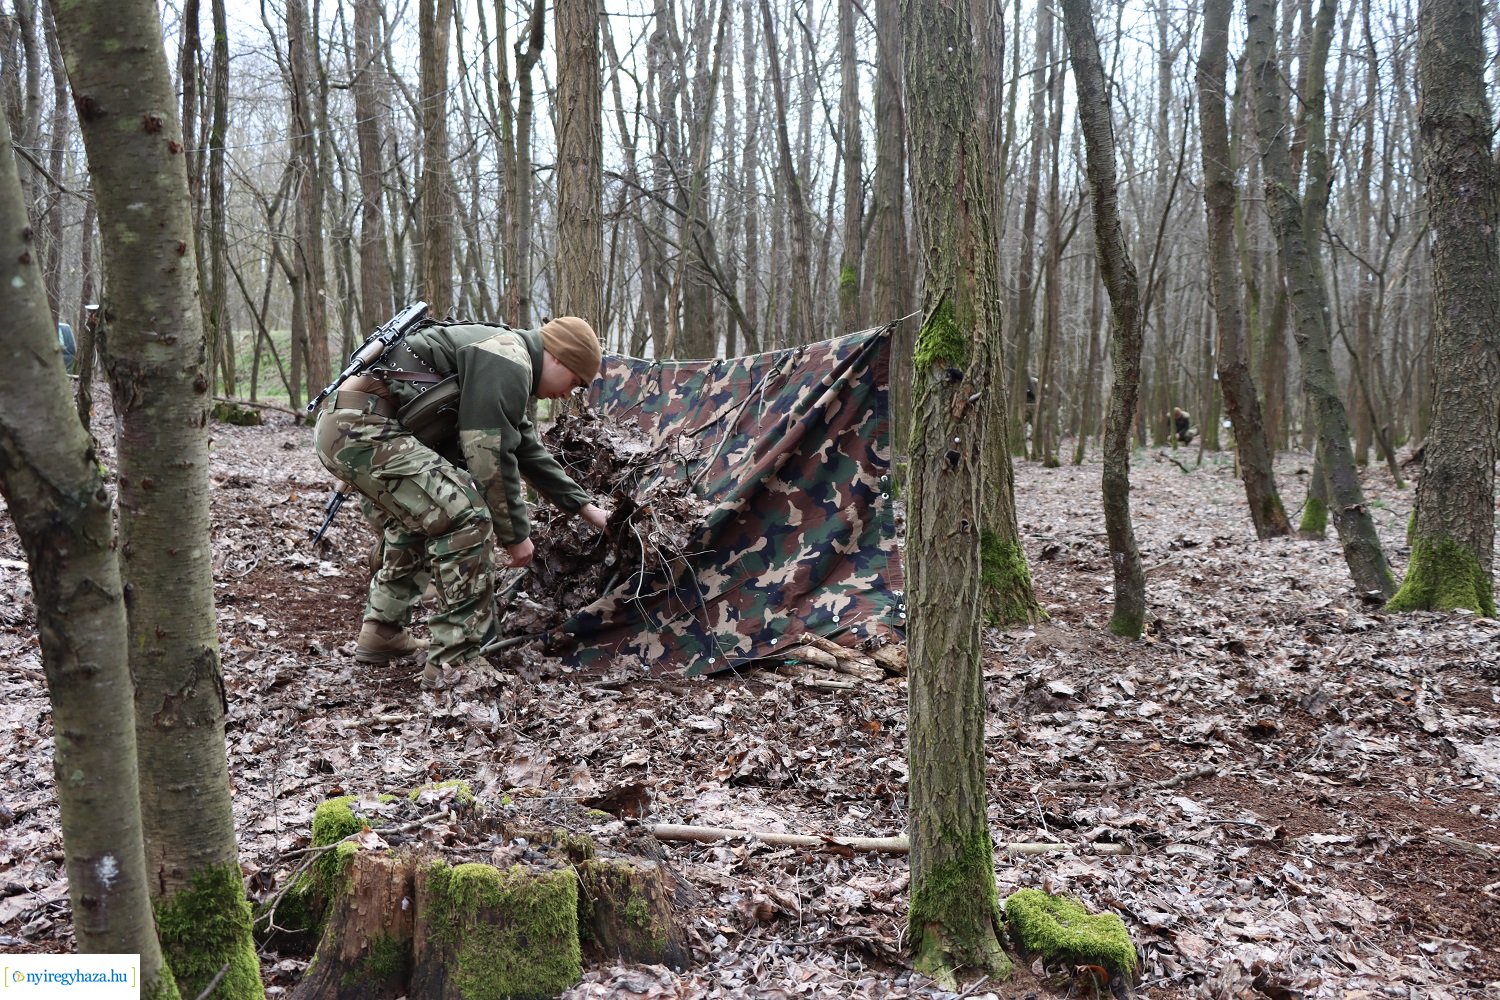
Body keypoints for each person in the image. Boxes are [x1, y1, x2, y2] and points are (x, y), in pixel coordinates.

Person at [314, 315, 610, 686]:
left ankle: (383, 632)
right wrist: (515, 535)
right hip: (361, 428)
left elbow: (526, 449)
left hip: (350, 426)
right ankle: (455, 662)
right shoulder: (508, 357)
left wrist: (586, 508)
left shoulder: (506, 356)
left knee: (427, 516)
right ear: (559, 358)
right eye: (575, 383)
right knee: (465, 514)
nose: (568, 394)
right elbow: (490, 456)